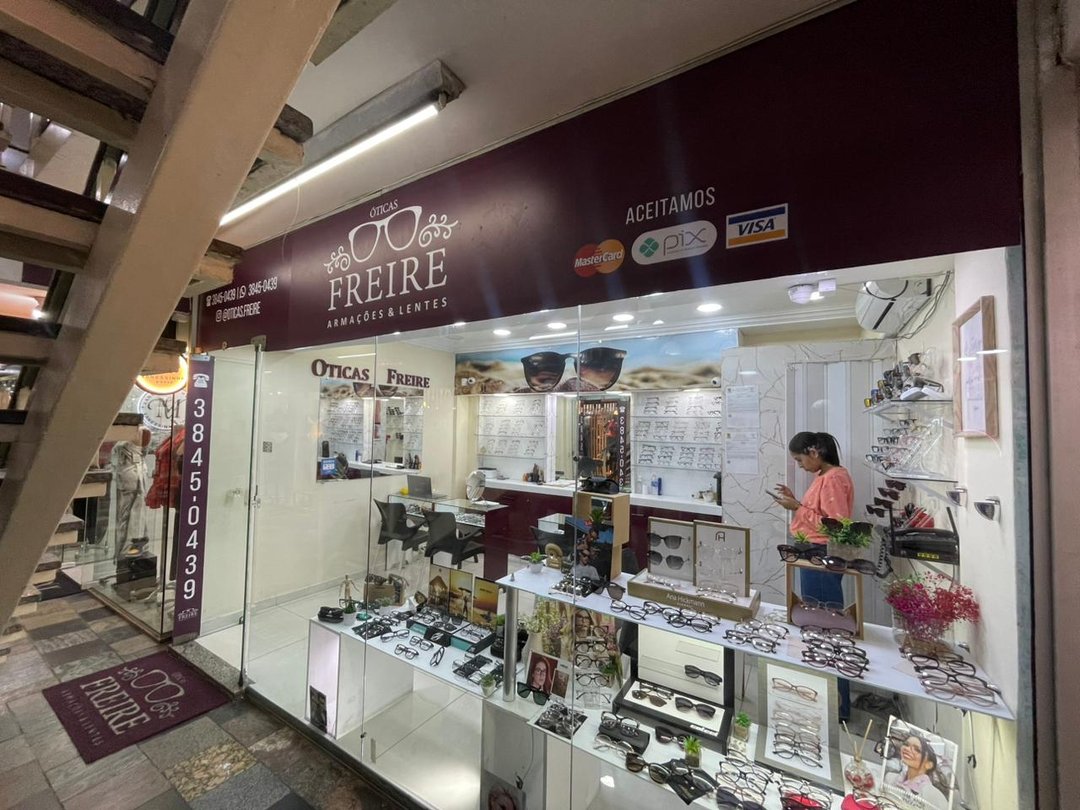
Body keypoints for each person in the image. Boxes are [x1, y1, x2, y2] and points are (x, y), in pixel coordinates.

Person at [772, 431, 855, 718]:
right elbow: (818, 514)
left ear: (814, 452)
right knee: (815, 625)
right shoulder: (824, 477)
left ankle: (836, 705)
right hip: (813, 553)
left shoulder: (833, 479)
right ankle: (825, 696)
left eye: (799, 459)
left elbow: (835, 526)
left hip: (820, 556)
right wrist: (796, 501)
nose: (799, 466)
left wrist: (796, 507)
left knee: (824, 627)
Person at [884, 733, 948, 809]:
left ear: (929, 765)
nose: (907, 749)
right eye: (906, 744)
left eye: (917, 749)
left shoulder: (936, 797)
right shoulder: (890, 778)